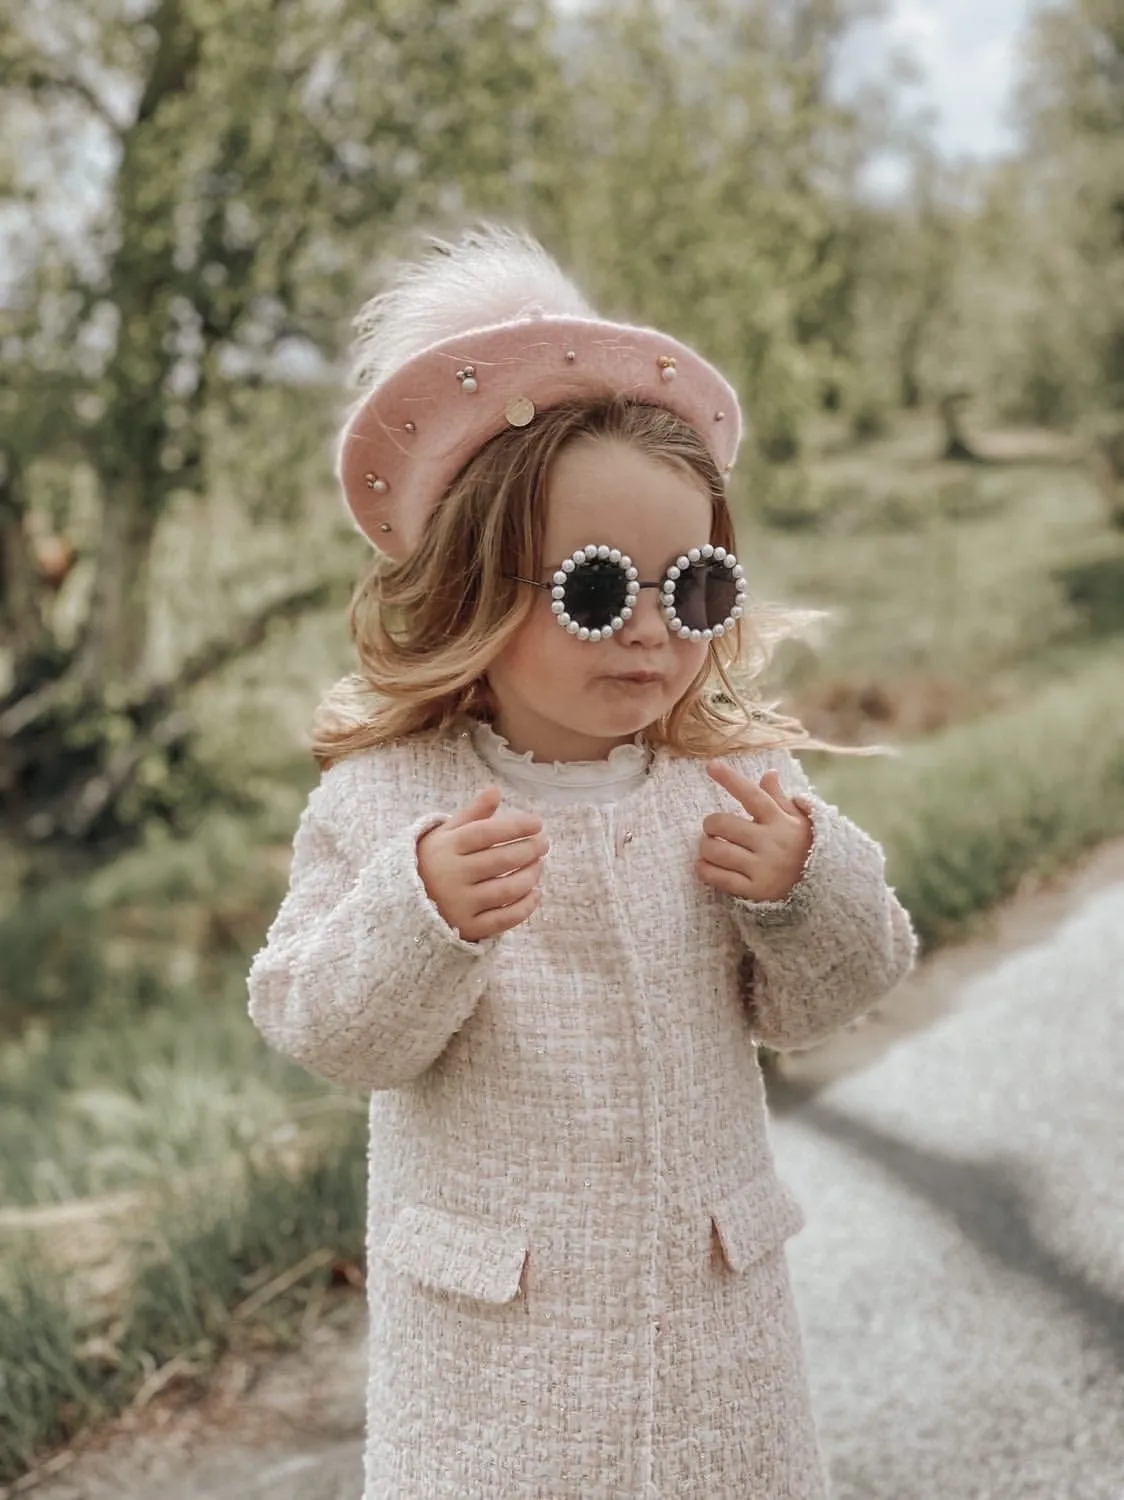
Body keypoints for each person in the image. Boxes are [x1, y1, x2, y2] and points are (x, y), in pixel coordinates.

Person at [246, 225, 917, 1500]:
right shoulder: (389, 802)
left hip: (720, 1349)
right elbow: (321, 1027)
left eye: (699, 588)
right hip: (500, 1380)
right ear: (473, 587)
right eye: (602, 592)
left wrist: (804, 886)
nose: (657, 636)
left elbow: (833, 996)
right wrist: (414, 916)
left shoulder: (737, 785)